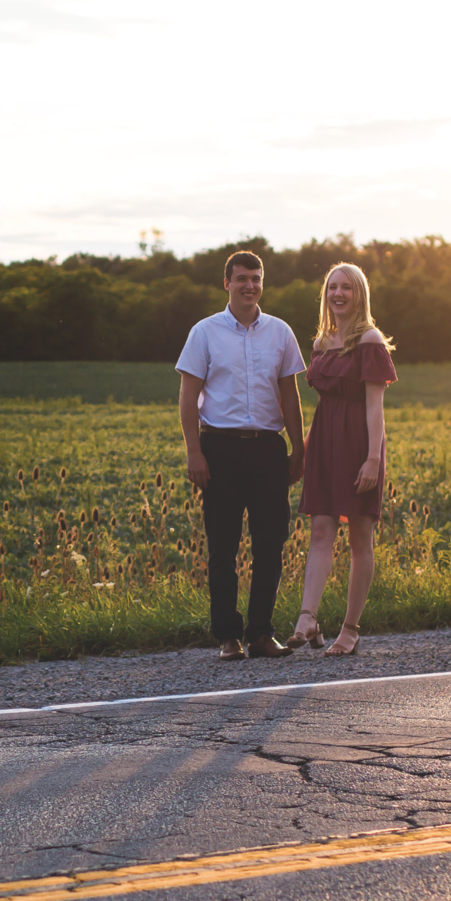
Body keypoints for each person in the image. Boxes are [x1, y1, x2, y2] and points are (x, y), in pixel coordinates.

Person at [177, 250, 308, 659]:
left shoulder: (280, 332)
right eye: (242, 278)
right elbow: (187, 396)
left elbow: (291, 396)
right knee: (223, 546)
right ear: (226, 283)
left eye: (256, 277)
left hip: (269, 448)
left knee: (271, 542)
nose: (250, 285)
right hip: (219, 449)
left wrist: (299, 450)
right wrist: (194, 452)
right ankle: (228, 637)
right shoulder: (205, 332)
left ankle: (261, 634)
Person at [287, 262, 396, 657]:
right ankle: (307, 617)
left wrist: (372, 459)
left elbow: (374, 407)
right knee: (320, 530)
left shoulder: (369, 340)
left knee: (359, 537)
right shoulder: (320, 344)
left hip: (359, 445)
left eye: (347, 287)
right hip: (325, 442)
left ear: (359, 294)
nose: (338, 294)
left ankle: (350, 629)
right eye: (333, 287)